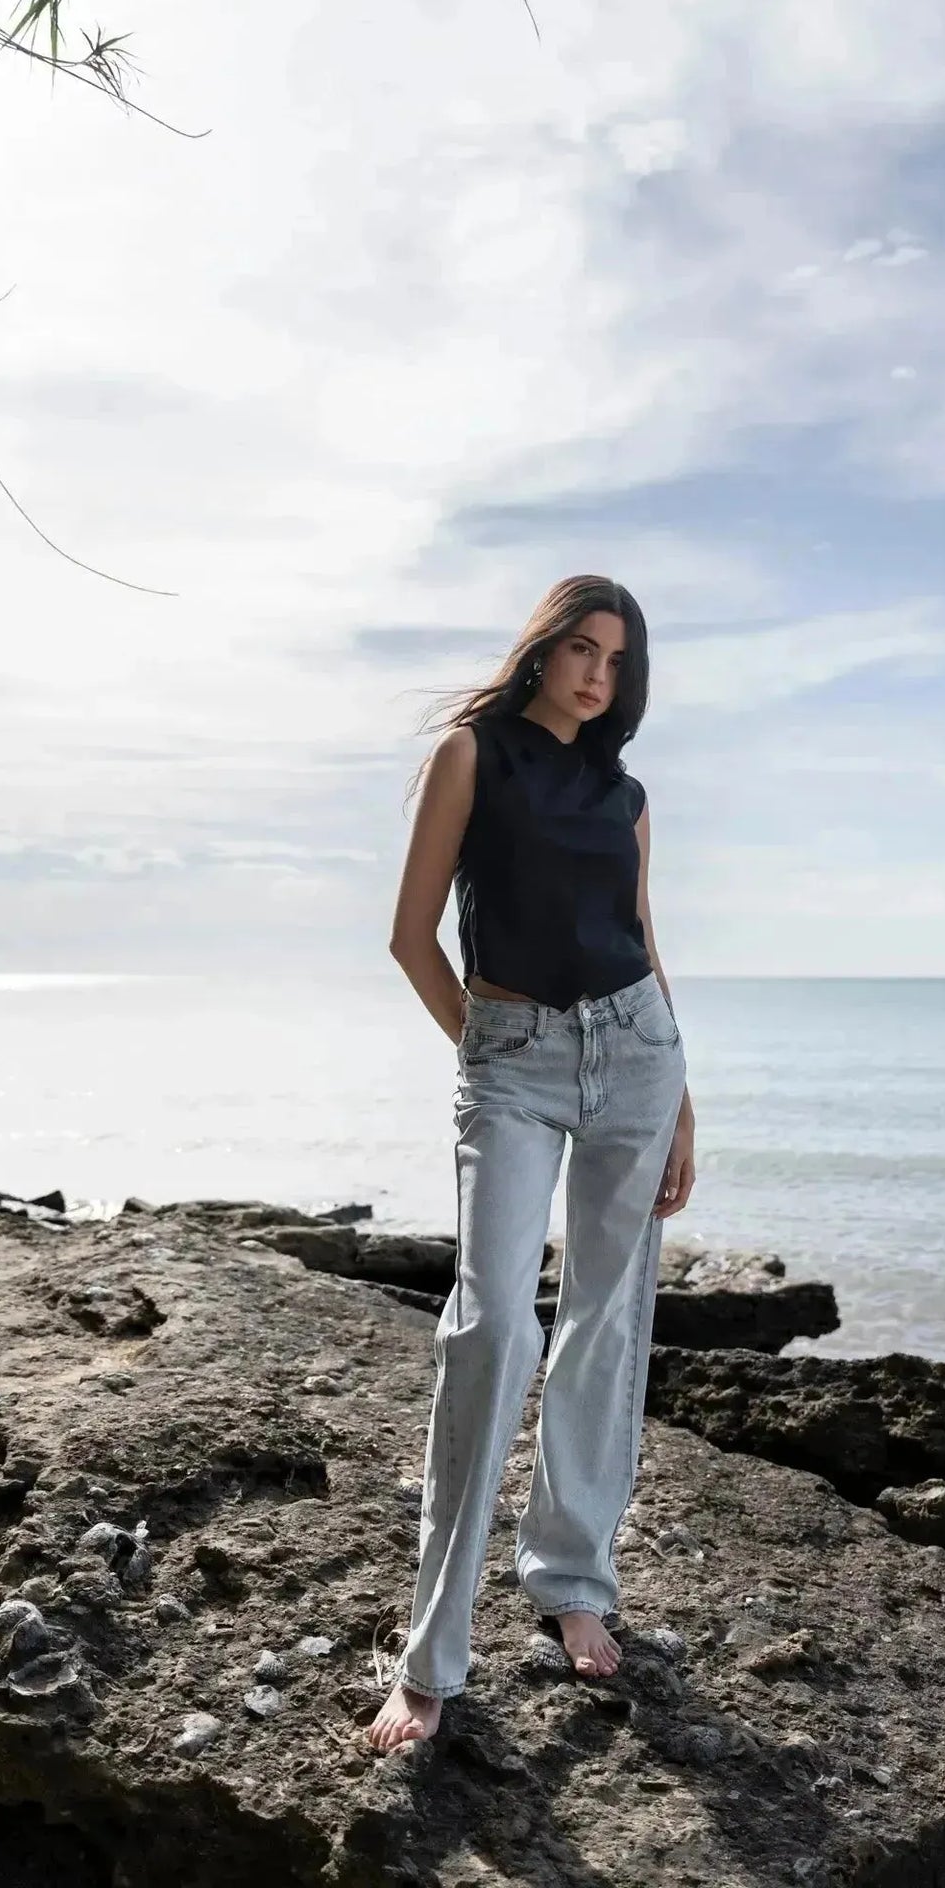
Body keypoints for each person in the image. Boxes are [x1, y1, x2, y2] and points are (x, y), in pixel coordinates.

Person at [368, 574, 696, 1753]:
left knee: (606, 1325)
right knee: (495, 1324)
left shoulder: (627, 793)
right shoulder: (475, 756)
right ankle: (428, 1655)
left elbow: (644, 944)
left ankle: (569, 1582)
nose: (596, 674)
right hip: (509, 1053)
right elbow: (411, 936)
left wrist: (683, 1103)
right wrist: (494, 1052)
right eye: (580, 649)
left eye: (617, 660)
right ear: (544, 649)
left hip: (637, 1055)